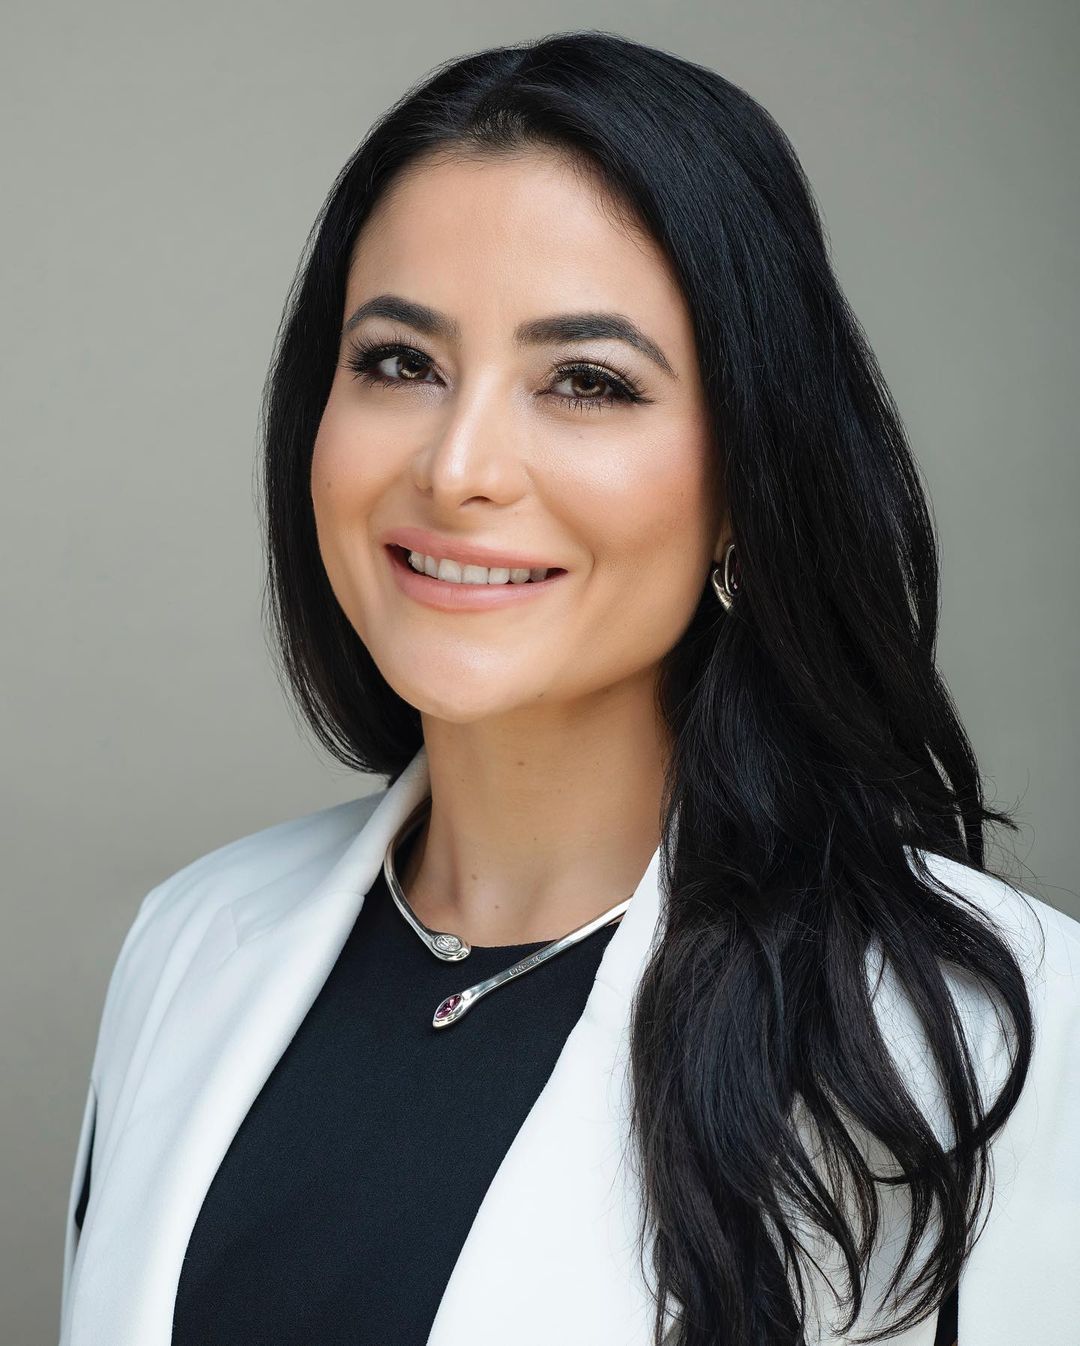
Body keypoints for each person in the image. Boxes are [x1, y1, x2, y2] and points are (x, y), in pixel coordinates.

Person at [58, 29, 1079, 1346]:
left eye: (586, 382)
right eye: (400, 362)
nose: (458, 468)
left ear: (746, 481)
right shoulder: (187, 942)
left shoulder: (987, 1039)